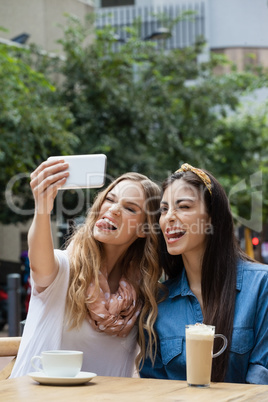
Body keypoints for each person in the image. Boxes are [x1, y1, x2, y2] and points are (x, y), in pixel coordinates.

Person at [11, 158, 162, 378]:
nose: (114, 209)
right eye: (110, 199)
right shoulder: (65, 270)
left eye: (129, 208)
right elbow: (39, 265)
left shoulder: (143, 295)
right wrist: (42, 207)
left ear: (144, 229)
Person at [140, 163, 268, 384]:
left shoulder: (261, 284)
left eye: (184, 206)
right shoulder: (157, 300)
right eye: (164, 209)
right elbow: (154, 384)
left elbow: (261, 374)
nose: (169, 217)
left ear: (211, 218)